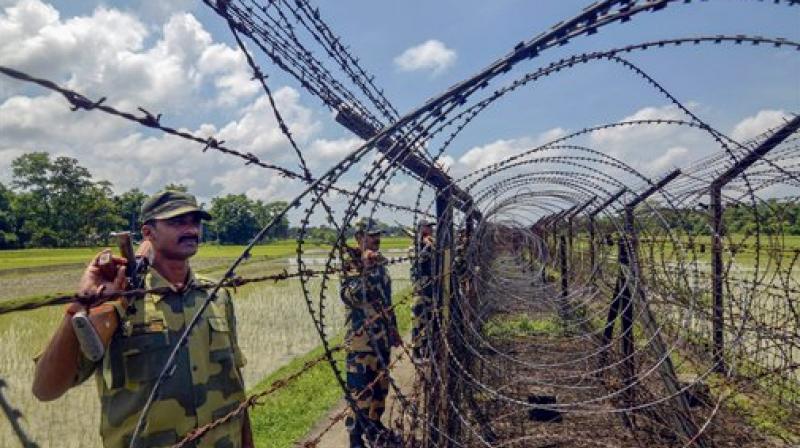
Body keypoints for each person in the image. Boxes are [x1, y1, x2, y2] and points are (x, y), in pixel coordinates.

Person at [31, 190, 253, 448]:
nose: (191, 229)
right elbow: (45, 389)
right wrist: (80, 304)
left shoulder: (216, 295)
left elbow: (234, 378)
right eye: (176, 221)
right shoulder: (117, 302)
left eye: (195, 221)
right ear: (148, 233)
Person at [340, 217, 401, 448]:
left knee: (380, 388)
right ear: (359, 238)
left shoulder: (380, 262)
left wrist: (393, 327)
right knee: (360, 393)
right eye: (371, 235)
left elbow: (386, 300)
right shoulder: (351, 264)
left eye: (378, 235)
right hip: (361, 342)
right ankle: (355, 439)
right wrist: (364, 268)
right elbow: (350, 296)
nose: (377, 239)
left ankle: (375, 426)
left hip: (382, 338)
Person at [410, 220, 435, 363]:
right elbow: (419, 260)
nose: (430, 230)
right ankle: (416, 353)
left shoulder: (431, 244)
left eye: (431, 228)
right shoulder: (414, 248)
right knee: (417, 323)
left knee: (429, 323)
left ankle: (426, 351)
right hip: (419, 292)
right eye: (427, 228)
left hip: (430, 291)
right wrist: (426, 246)